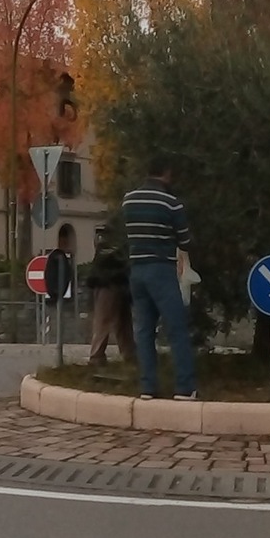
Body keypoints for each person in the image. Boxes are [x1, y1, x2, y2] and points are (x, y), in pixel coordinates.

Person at [122, 155, 197, 400]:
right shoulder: (171, 203)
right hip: (162, 269)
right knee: (176, 328)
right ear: (166, 173)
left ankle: (147, 386)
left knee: (144, 330)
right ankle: (185, 387)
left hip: (137, 270)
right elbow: (185, 241)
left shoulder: (129, 200)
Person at [87, 222, 136, 366]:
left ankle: (128, 353)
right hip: (109, 283)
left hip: (114, 283)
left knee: (121, 321)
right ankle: (97, 355)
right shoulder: (111, 247)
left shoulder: (105, 246)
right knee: (105, 320)